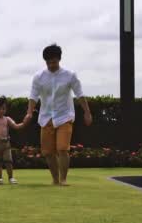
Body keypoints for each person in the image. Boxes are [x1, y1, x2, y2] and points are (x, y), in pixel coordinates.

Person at [24, 44, 93, 186]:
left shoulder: (70, 75)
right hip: (45, 117)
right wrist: (29, 113)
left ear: (59, 59)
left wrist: (87, 112)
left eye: (53, 62)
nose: (51, 65)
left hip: (65, 116)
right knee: (48, 152)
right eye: (48, 62)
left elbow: (79, 95)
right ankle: (55, 179)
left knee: (62, 148)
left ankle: (63, 179)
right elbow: (33, 96)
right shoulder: (38, 77)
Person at [0, 96, 26, 185]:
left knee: (8, 161)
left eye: (3, 109)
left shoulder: (7, 119)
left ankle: (11, 178)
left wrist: (24, 123)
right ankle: (0, 179)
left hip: (6, 143)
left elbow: (16, 126)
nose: (1, 111)